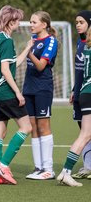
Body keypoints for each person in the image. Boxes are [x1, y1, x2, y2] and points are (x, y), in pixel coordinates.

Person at [0, 5, 33, 185]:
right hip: (5, 91)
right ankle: (3, 165)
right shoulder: (6, 41)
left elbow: (13, 63)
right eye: (17, 20)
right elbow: (6, 70)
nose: (19, 23)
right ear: (10, 21)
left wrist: (28, 48)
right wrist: (17, 92)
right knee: (26, 127)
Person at [23, 11, 58, 180]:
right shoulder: (34, 41)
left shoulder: (50, 41)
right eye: (30, 22)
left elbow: (41, 66)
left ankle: (49, 169)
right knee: (33, 127)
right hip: (28, 88)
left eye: (34, 22)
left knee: (43, 126)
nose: (31, 25)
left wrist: (28, 51)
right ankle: (38, 167)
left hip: (42, 89)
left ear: (44, 24)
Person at [56, 27, 91, 187]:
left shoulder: (87, 47)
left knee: (85, 135)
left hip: (84, 93)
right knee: (85, 135)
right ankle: (66, 171)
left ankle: (65, 172)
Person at [69, 10, 91, 179]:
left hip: (87, 91)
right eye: (76, 22)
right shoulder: (80, 42)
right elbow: (80, 70)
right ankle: (88, 166)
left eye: (81, 22)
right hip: (81, 91)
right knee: (83, 130)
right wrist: (74, 89)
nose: (78, 25)